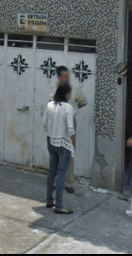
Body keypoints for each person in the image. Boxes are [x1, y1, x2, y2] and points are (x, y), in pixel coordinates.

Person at [49, 66, 88, 194]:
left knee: (69, 153)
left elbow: (83, 101)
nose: (66, 78)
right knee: (56, 152)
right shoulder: (54, 88)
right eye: (63, 75)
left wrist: (74, 109)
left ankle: (69, 183)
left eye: (67, 75)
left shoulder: (75, 88)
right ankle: (55, 181)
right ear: (59, 76)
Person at [43, 83, 75, 215]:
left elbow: (44, 125)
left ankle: (49, 200)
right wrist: (73, 142)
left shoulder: (49, 105)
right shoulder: (68, 107)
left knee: (52, 172)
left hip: (51, 142)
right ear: (67, 95)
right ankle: (59, 206)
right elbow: (71, 129)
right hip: (64, 144)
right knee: (61, 175)